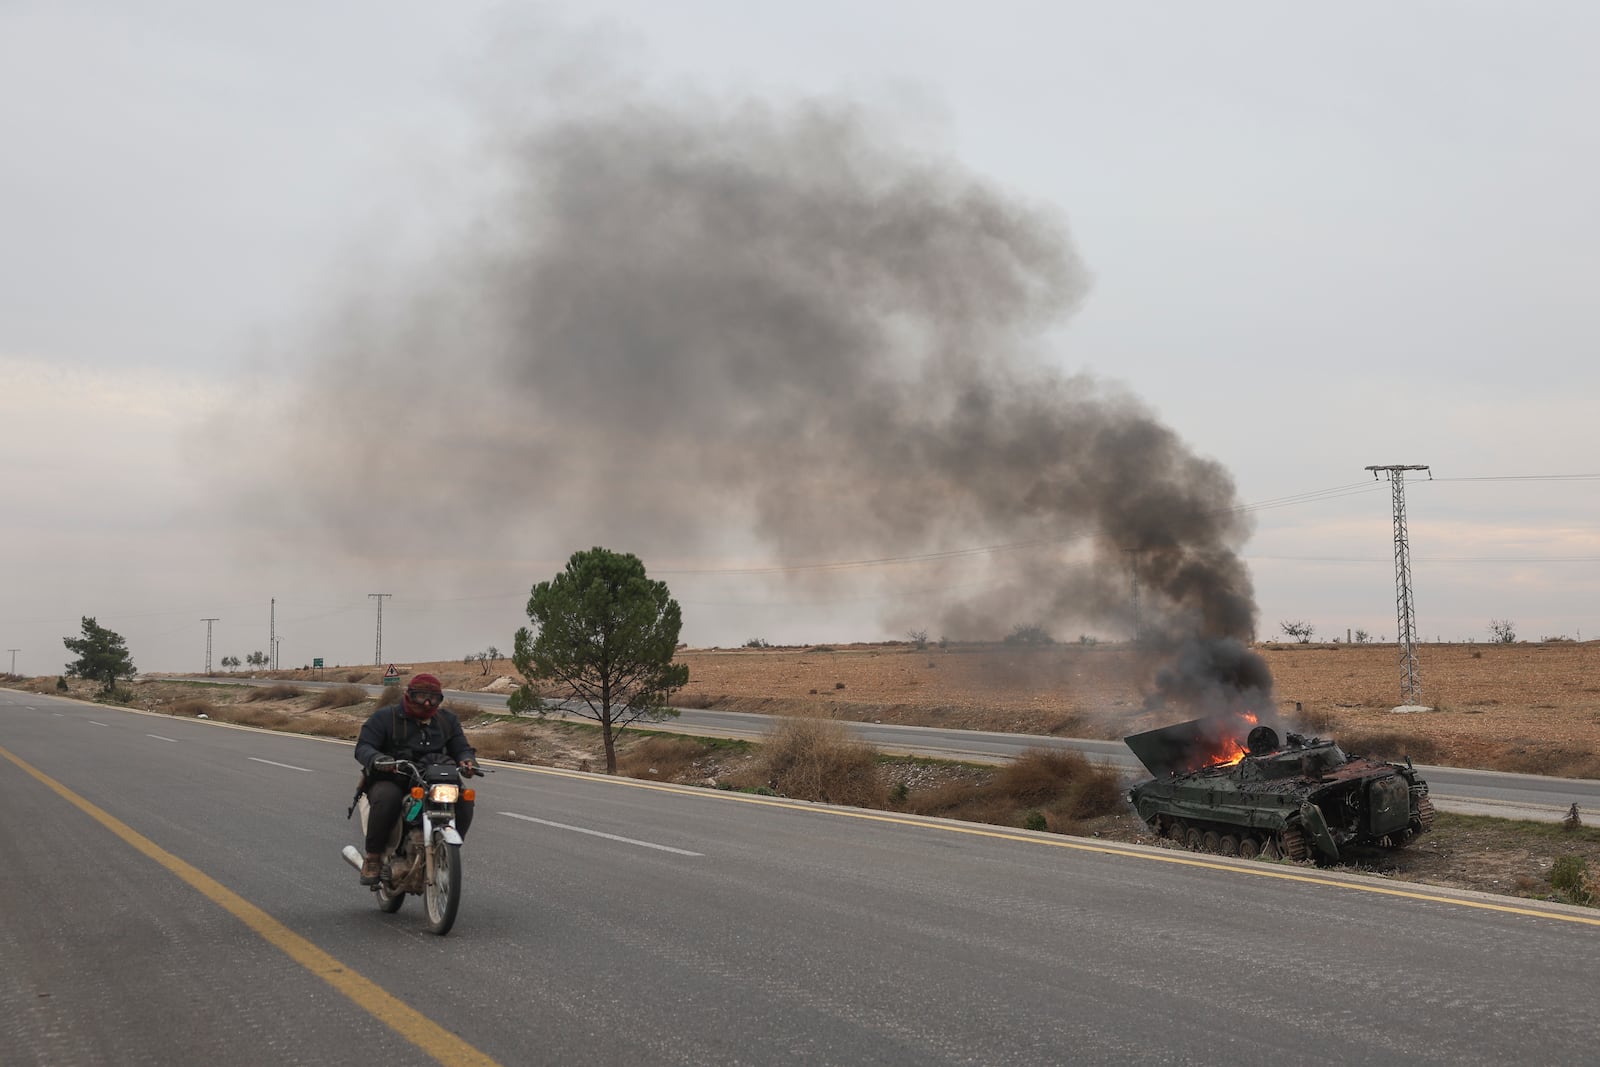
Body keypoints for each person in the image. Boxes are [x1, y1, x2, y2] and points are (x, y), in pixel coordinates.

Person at [353, 672, 479, 885]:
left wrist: (467, 761)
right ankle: (373, 858)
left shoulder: (447, 721)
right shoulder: (385, 717)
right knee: (387, 799)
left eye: (434, 698)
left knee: (465, 798)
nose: (428, 702)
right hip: (395, 778)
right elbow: (363, 747)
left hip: (434, 779)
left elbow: (462, 748)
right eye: (421, 696)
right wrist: (378, 759)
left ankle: (446, 851)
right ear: (408, 695)